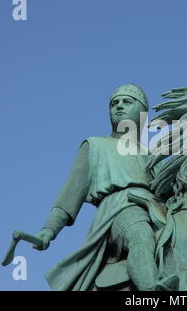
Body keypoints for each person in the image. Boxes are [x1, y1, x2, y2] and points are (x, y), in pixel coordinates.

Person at [34, 83, 176, 291]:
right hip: (119, 208)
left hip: (154, 209)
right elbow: (70, 193)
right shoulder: (94, 145)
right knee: (140, 233)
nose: (118, 106)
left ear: (142, 113)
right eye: (114, 103)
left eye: (127, 102)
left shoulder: (152, 154)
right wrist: (49, 230)